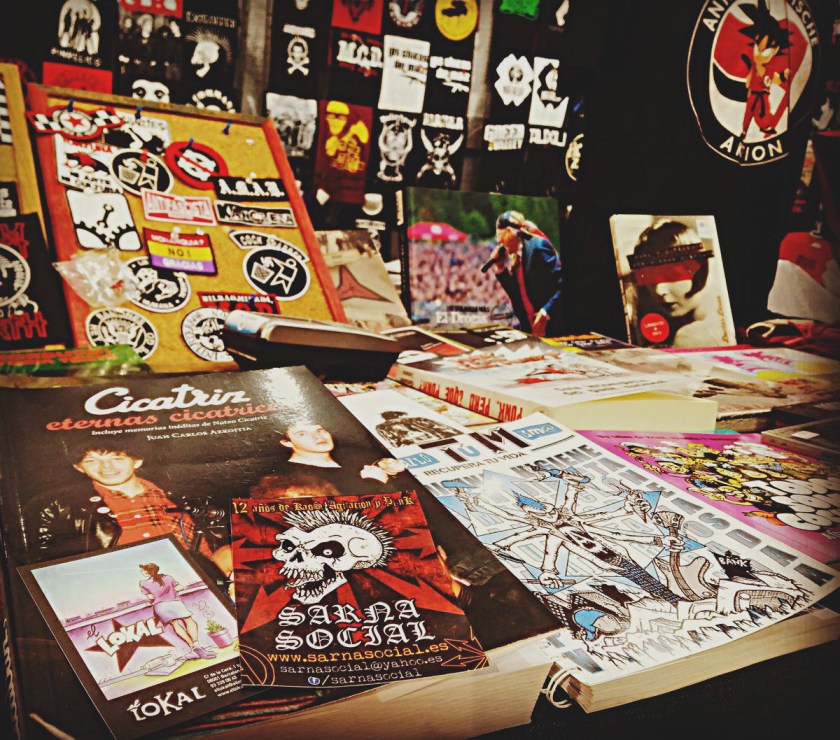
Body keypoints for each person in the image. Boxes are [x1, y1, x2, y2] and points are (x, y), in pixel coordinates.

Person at [29, 443, 216, 562]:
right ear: (79, 467)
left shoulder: (180, 499)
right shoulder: (63, 507)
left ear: (137, 461)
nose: (106, 466)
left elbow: (206, 552)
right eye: (92, 460)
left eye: (117, 457)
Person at [628, 219, 721, 347]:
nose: (659, 290)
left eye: (671, 275)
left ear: (701, 271)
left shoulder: (691, 336)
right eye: (649, 277)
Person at [487, 210, 564, 337]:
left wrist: (546, 312)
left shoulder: (537, 247)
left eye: (501, 239)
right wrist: (500, 267)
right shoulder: (516, 260)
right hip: (530, 329)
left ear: (509, 232)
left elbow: (562, 285)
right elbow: (516, 296)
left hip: (551, 329)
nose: (500, 243)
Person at [139, 563, 216, 660]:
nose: (141, 572)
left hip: (161, 606)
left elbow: (151, 597)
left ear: (147, 572)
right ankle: (197, 645)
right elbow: (180, 587)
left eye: (142, 570)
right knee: (189, 621)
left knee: (176, 625)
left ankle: (192, 647)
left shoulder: (143, 583)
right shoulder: (167, 577)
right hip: (175, 602)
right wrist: (170, 591)